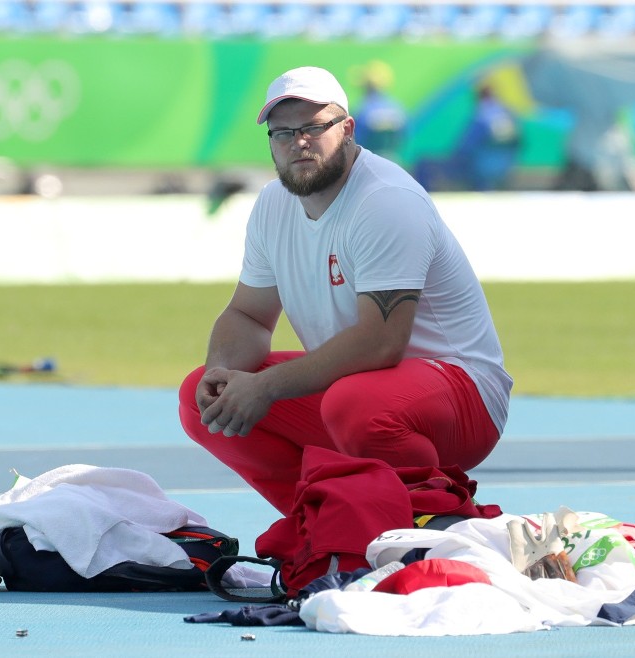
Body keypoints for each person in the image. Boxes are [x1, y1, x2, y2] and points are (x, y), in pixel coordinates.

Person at [178, 66, 513, 516]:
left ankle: (435, 525)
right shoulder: (273, 205)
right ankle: (321, 528)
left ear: (348, 129)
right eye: (283, 133)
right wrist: (221, 371)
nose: (298, 142)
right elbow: (249, 317)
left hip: (463, 393)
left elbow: (381, 343)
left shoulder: (386, 199)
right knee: (202, 397)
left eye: (315, 127)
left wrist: (266, 387)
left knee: (353, 405)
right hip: (358, 390)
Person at [415, 82, 520, 192]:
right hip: (503, 168)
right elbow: (519, 144)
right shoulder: (509, 116)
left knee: (424, 162)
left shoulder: (481, 117)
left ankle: (426, 198)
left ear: (478, 97)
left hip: (474, 168)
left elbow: (465, 148)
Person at [350, 60, 408, 161]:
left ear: (366, 85)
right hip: (393, 160)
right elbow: (404, 135)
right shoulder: (396, 107)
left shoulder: (362, 109)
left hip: (367, 161)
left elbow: (354, 139)